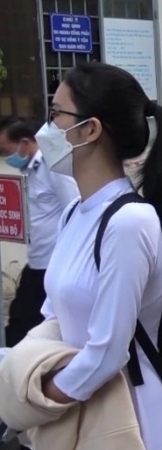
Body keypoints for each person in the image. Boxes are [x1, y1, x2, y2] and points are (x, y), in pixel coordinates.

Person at [34, 62, 162, 449]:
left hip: (130, 421)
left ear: (90, 129)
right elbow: (53, 317)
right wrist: (20, 367)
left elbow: (108, 352)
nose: (47, 128)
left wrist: (35, 400)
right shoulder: (74, 213)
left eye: (56, 113)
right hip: (79, 414)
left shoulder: (129, 222)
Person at [0, 117, 78, 347]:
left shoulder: (53, 167)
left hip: (53, 264)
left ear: (25, 143)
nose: (6, 157)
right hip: (37, 261)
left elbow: (74, 209)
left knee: (31, 325)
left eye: (6, 150)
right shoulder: (29, 170)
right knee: (21, 322)